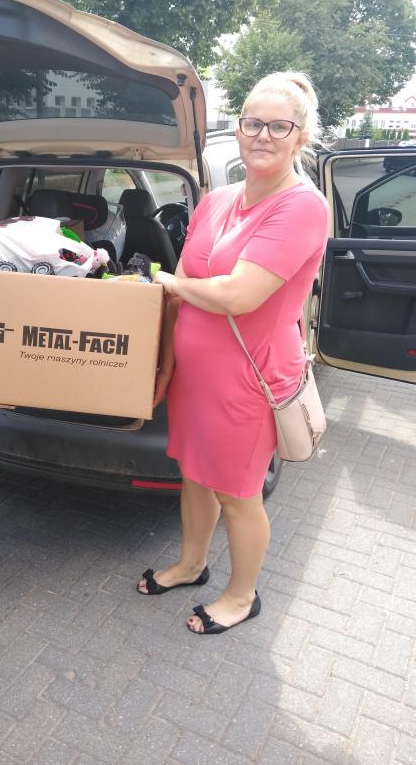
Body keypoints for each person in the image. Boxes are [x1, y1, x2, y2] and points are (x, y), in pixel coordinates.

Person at [137, 71, 330, 634]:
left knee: (238, 494)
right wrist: (167, 365)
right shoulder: (217, 199)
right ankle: (190, 565)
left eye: (278, 126)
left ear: (300, 137)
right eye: (252, 123)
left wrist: (168, 283)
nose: (262, 135)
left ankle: (242, 596)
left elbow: (239, 295)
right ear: (238, 128)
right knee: (195, 477)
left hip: (247, 379)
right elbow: (185, 282)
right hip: (195, 377)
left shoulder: (302, 207)